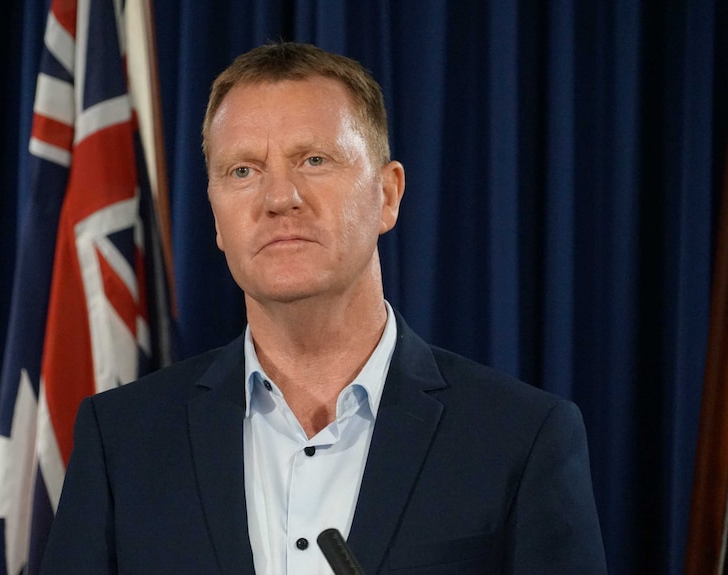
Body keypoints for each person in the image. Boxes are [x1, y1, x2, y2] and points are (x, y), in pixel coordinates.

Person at [41, 42, 607, 574]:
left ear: (388, 195)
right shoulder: (120, 440)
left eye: (313, 160)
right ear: (214, 216)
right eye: (243, 170)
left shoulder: (522, 437)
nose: (279, 197)